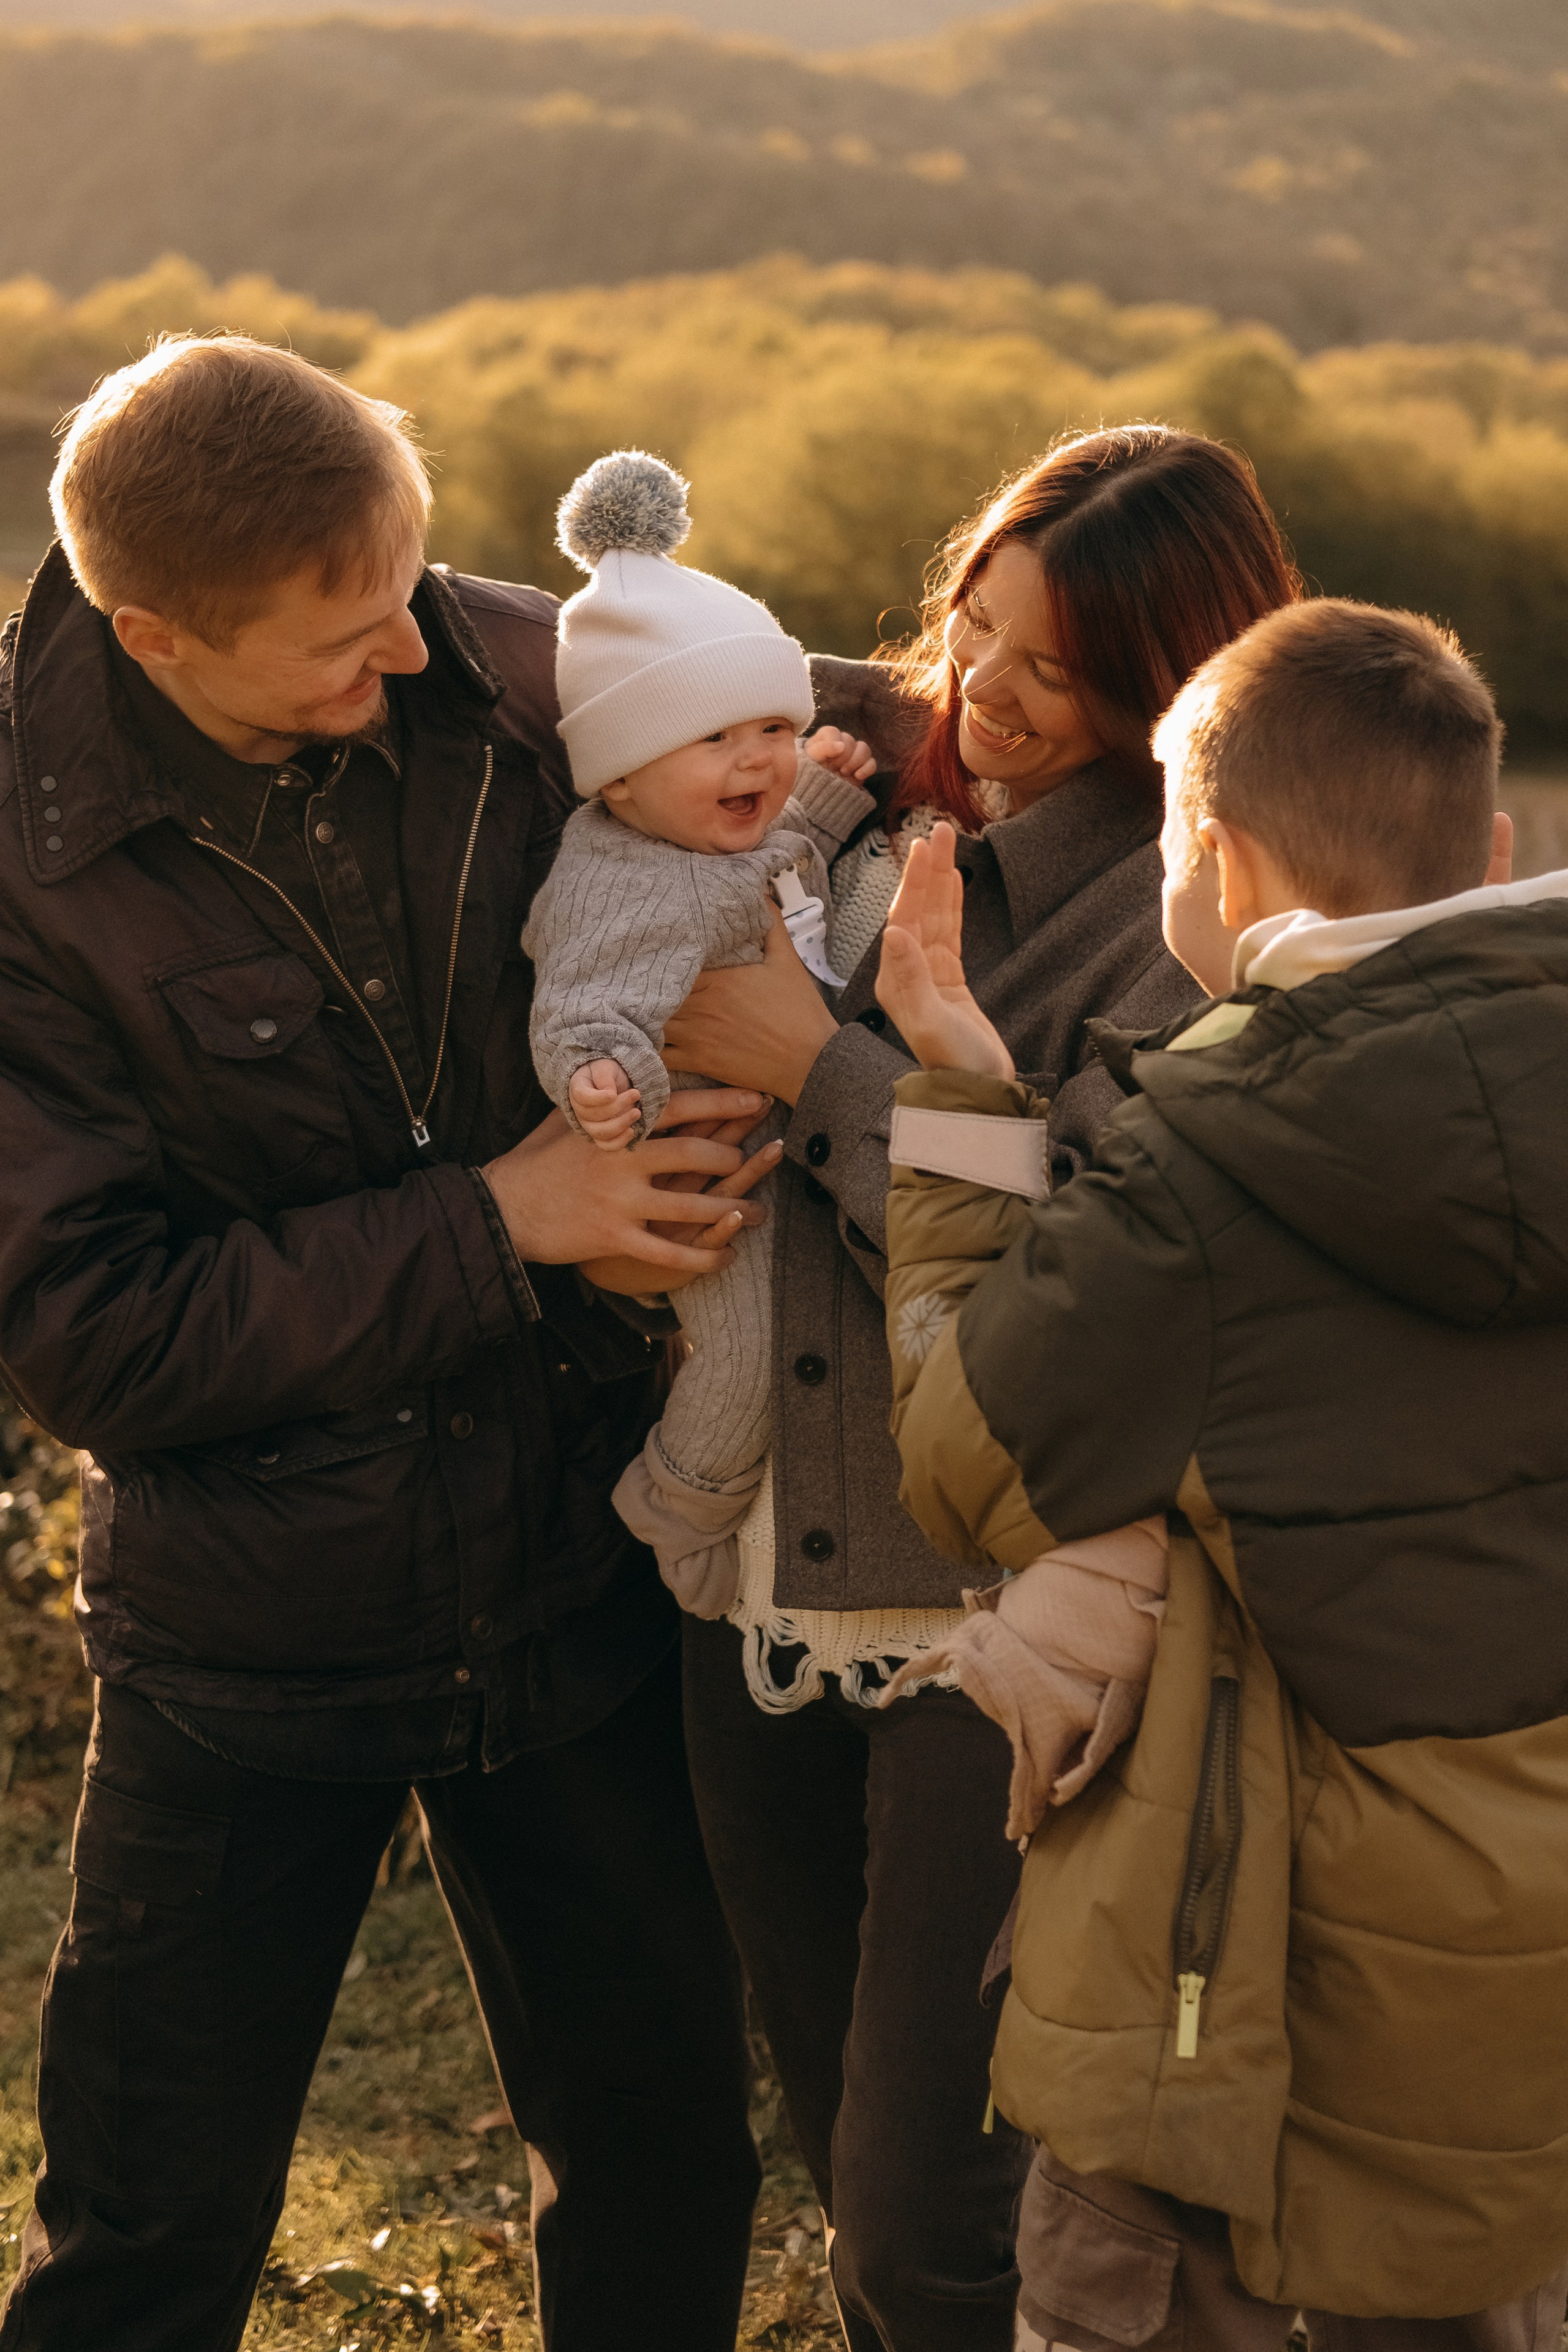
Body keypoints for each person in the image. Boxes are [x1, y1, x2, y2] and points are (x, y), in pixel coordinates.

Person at [0, 336, 778, 2352]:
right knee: (148, 2238)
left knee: (670, 2165)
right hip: (248, 1644)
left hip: (578, 1579)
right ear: (152, 632)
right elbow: (95, 1337)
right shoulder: (21, 871)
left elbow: (873, 714)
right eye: (342, 647)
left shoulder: (476, 647)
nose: (414, 667)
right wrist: (507, 1222)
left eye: (413, 605)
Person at [669, 424, 1302, 2350]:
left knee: (926, 2217)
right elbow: (593, 639)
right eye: (976, 619)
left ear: (1170, 689)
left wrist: (821, 1069)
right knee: (830, 2110)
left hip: (992, 1619)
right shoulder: (860, 769)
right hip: (763, 1572)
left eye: (1054, 667)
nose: (989, 688)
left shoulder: (1188, 924)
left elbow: (1079, 1275)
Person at [879, 597, 1568, 2349]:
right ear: (1490, 846)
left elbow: (967, 1459)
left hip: (1246, 1973)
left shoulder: (1208, 1170)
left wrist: (965, 1117)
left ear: (1215, 858)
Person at [524, 449, 877, 1614]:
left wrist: (820, 791)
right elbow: (582, 1001)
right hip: (706, 1174)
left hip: (794, 1142)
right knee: (748, 1357)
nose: (759, 760)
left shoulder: (719, 831)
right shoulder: (625, 881)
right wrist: (603, 1081)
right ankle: (679, 1508)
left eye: (774, 724)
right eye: (718, 738)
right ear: (618, 780)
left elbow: (782, 853)